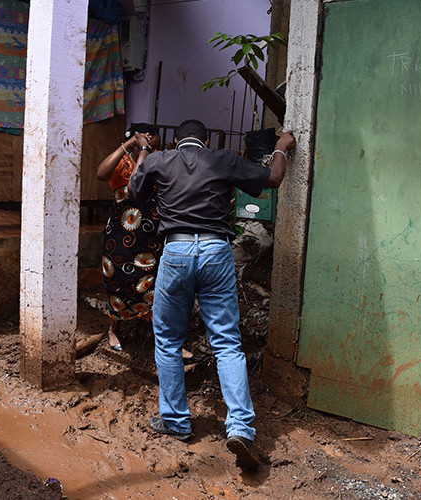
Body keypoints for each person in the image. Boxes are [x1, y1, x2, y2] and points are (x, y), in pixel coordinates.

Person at [128, 119, 295, 470]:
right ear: (206, 140)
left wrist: (144, 148)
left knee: (169, 340)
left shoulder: (160, 160)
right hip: (216, 251)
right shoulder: (223, 158)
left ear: (176, 140)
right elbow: (274, 179)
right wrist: (282, 145)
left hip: (175, 251)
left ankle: (175, 420)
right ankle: (240, 428)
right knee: (227, 343)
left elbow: (134, 189)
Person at [94, 123, 161, 352]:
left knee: (152, 284)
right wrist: (132, 145)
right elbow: (101, 173)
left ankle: (160, 338)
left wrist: (145, 151)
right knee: (117, 281)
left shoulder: (159, 161)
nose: (150, 139)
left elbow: (138, 183)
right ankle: (114, 329)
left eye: (153, 136)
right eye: (146, 136)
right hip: (120, 233)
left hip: (150, 235)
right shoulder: (123, 161)